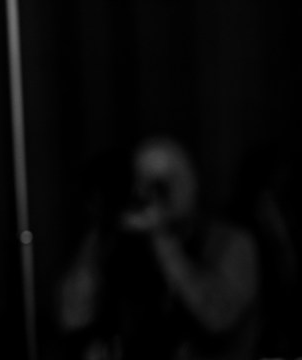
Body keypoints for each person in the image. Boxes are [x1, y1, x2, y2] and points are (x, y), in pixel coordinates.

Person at [55, 134, 261, 360]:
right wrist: (103, 227)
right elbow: (72, 316)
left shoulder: (231, 242)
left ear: (190, 183)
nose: (146, 193)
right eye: (139, 181)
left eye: (160, 183)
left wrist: (163, 241)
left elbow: (218, 319)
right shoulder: (125, 243)